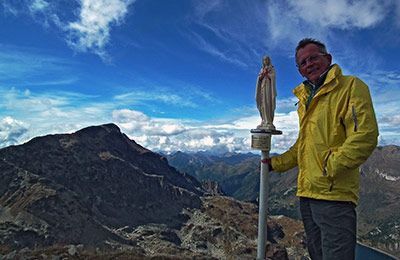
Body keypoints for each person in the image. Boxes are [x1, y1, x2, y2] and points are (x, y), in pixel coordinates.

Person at [263, 38, 379, 260]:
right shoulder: (306, 98)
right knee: (317, 254)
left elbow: (365, 135)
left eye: (313, 57)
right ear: (299, 71)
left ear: (328, 59)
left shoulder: (351, 86)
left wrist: (330, 168)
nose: (308, 64)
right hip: (307, 194)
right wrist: (274, 164)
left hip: (334, 196)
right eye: (302, 63)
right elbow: (303, 146)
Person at [255, 56, 277, 130]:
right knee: (262, 104)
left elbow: (273, 76)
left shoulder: (271, 68)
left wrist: (268, 75)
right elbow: (259, 77)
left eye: (266, 60)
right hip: (262, 88)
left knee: (267, 103)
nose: (265, 61)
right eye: (264, 60)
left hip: (268, 88)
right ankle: (263, 120)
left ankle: (268, 121)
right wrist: (261, 76)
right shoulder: (262, 69)